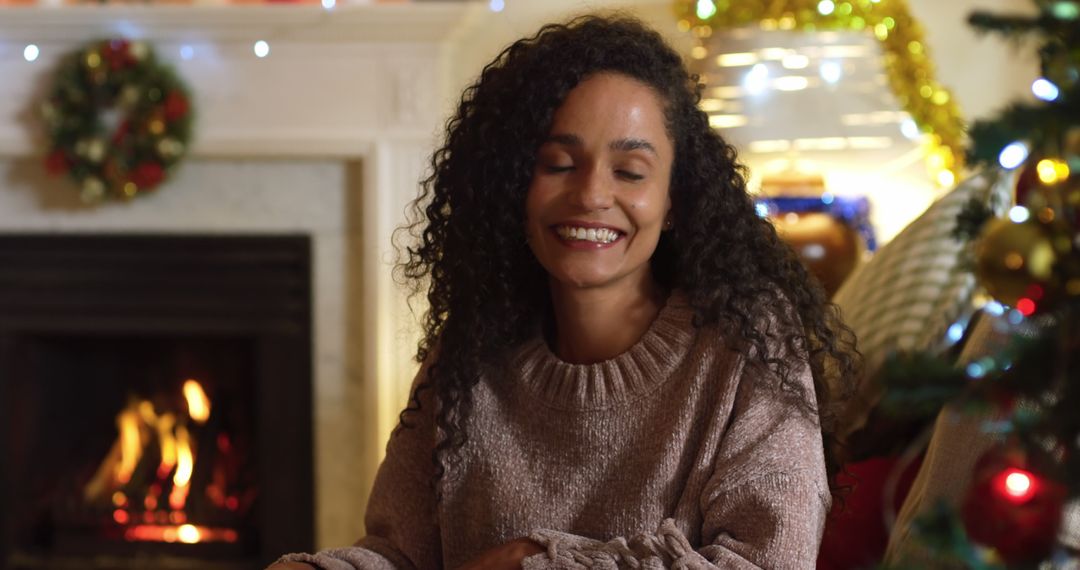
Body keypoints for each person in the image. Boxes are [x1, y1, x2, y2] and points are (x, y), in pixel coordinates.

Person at [270, 14, 858, 570]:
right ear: (513, 186)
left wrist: (535, 560)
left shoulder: (747, 341)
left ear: (674, 199)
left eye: (629, 172)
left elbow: (766, 560)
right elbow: (399, 555)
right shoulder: (472, 348)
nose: (590, 195)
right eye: (557, 164)